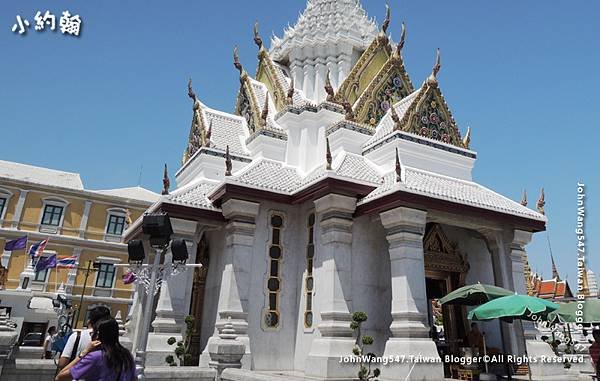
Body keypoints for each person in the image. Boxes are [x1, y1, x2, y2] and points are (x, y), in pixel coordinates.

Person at [55, 318, 135, 381]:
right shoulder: (127, 356)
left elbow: (60, 377)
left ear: (98, 335)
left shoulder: (95, 357)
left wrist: (84, 352)